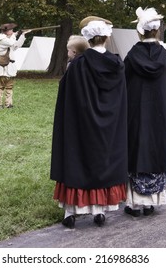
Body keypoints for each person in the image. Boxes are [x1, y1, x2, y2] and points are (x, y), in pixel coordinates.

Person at [50, 16, 128, 229]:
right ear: (105, 37)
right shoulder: (118, 64)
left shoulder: (78, 65)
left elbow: (67, 97)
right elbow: (121, 99)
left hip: (81, 125)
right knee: (103, 161)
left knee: (78, 161)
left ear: (88, 38)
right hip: (109, 127)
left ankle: (71, 212)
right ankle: (99, 211)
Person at [124, 7, 166, 217]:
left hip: (136, 113)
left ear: (140, 31)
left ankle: (135, 203)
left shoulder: (131, 57)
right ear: (156, 32)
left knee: (137, 149)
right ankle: (153, 201)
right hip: (159, 114)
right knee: (155, 148)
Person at [0, 23, 27, 108]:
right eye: (10, 30)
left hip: (10, 66)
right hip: (3, 66)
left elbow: (17, 45)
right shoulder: (0, 38)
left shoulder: (8, 39)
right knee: (1, 86)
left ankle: (8, 104)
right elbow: (12, 43)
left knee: (9, 86)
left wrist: (22, 35)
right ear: (6, 31)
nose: (12, 31)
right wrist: (15, 34)